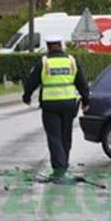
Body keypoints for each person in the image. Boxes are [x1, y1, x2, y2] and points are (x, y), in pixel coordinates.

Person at [23, 35, 91, 183]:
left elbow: (31, 81)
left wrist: (27, 96)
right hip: (68, 104)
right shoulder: (71, 61)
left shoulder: (44, 62)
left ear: (48, 46)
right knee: (66, 136)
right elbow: (82, 83)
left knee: (54, 137)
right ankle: (63, 166)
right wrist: (86, 100)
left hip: (50, 105)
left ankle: (59, 170)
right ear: (61, 45)